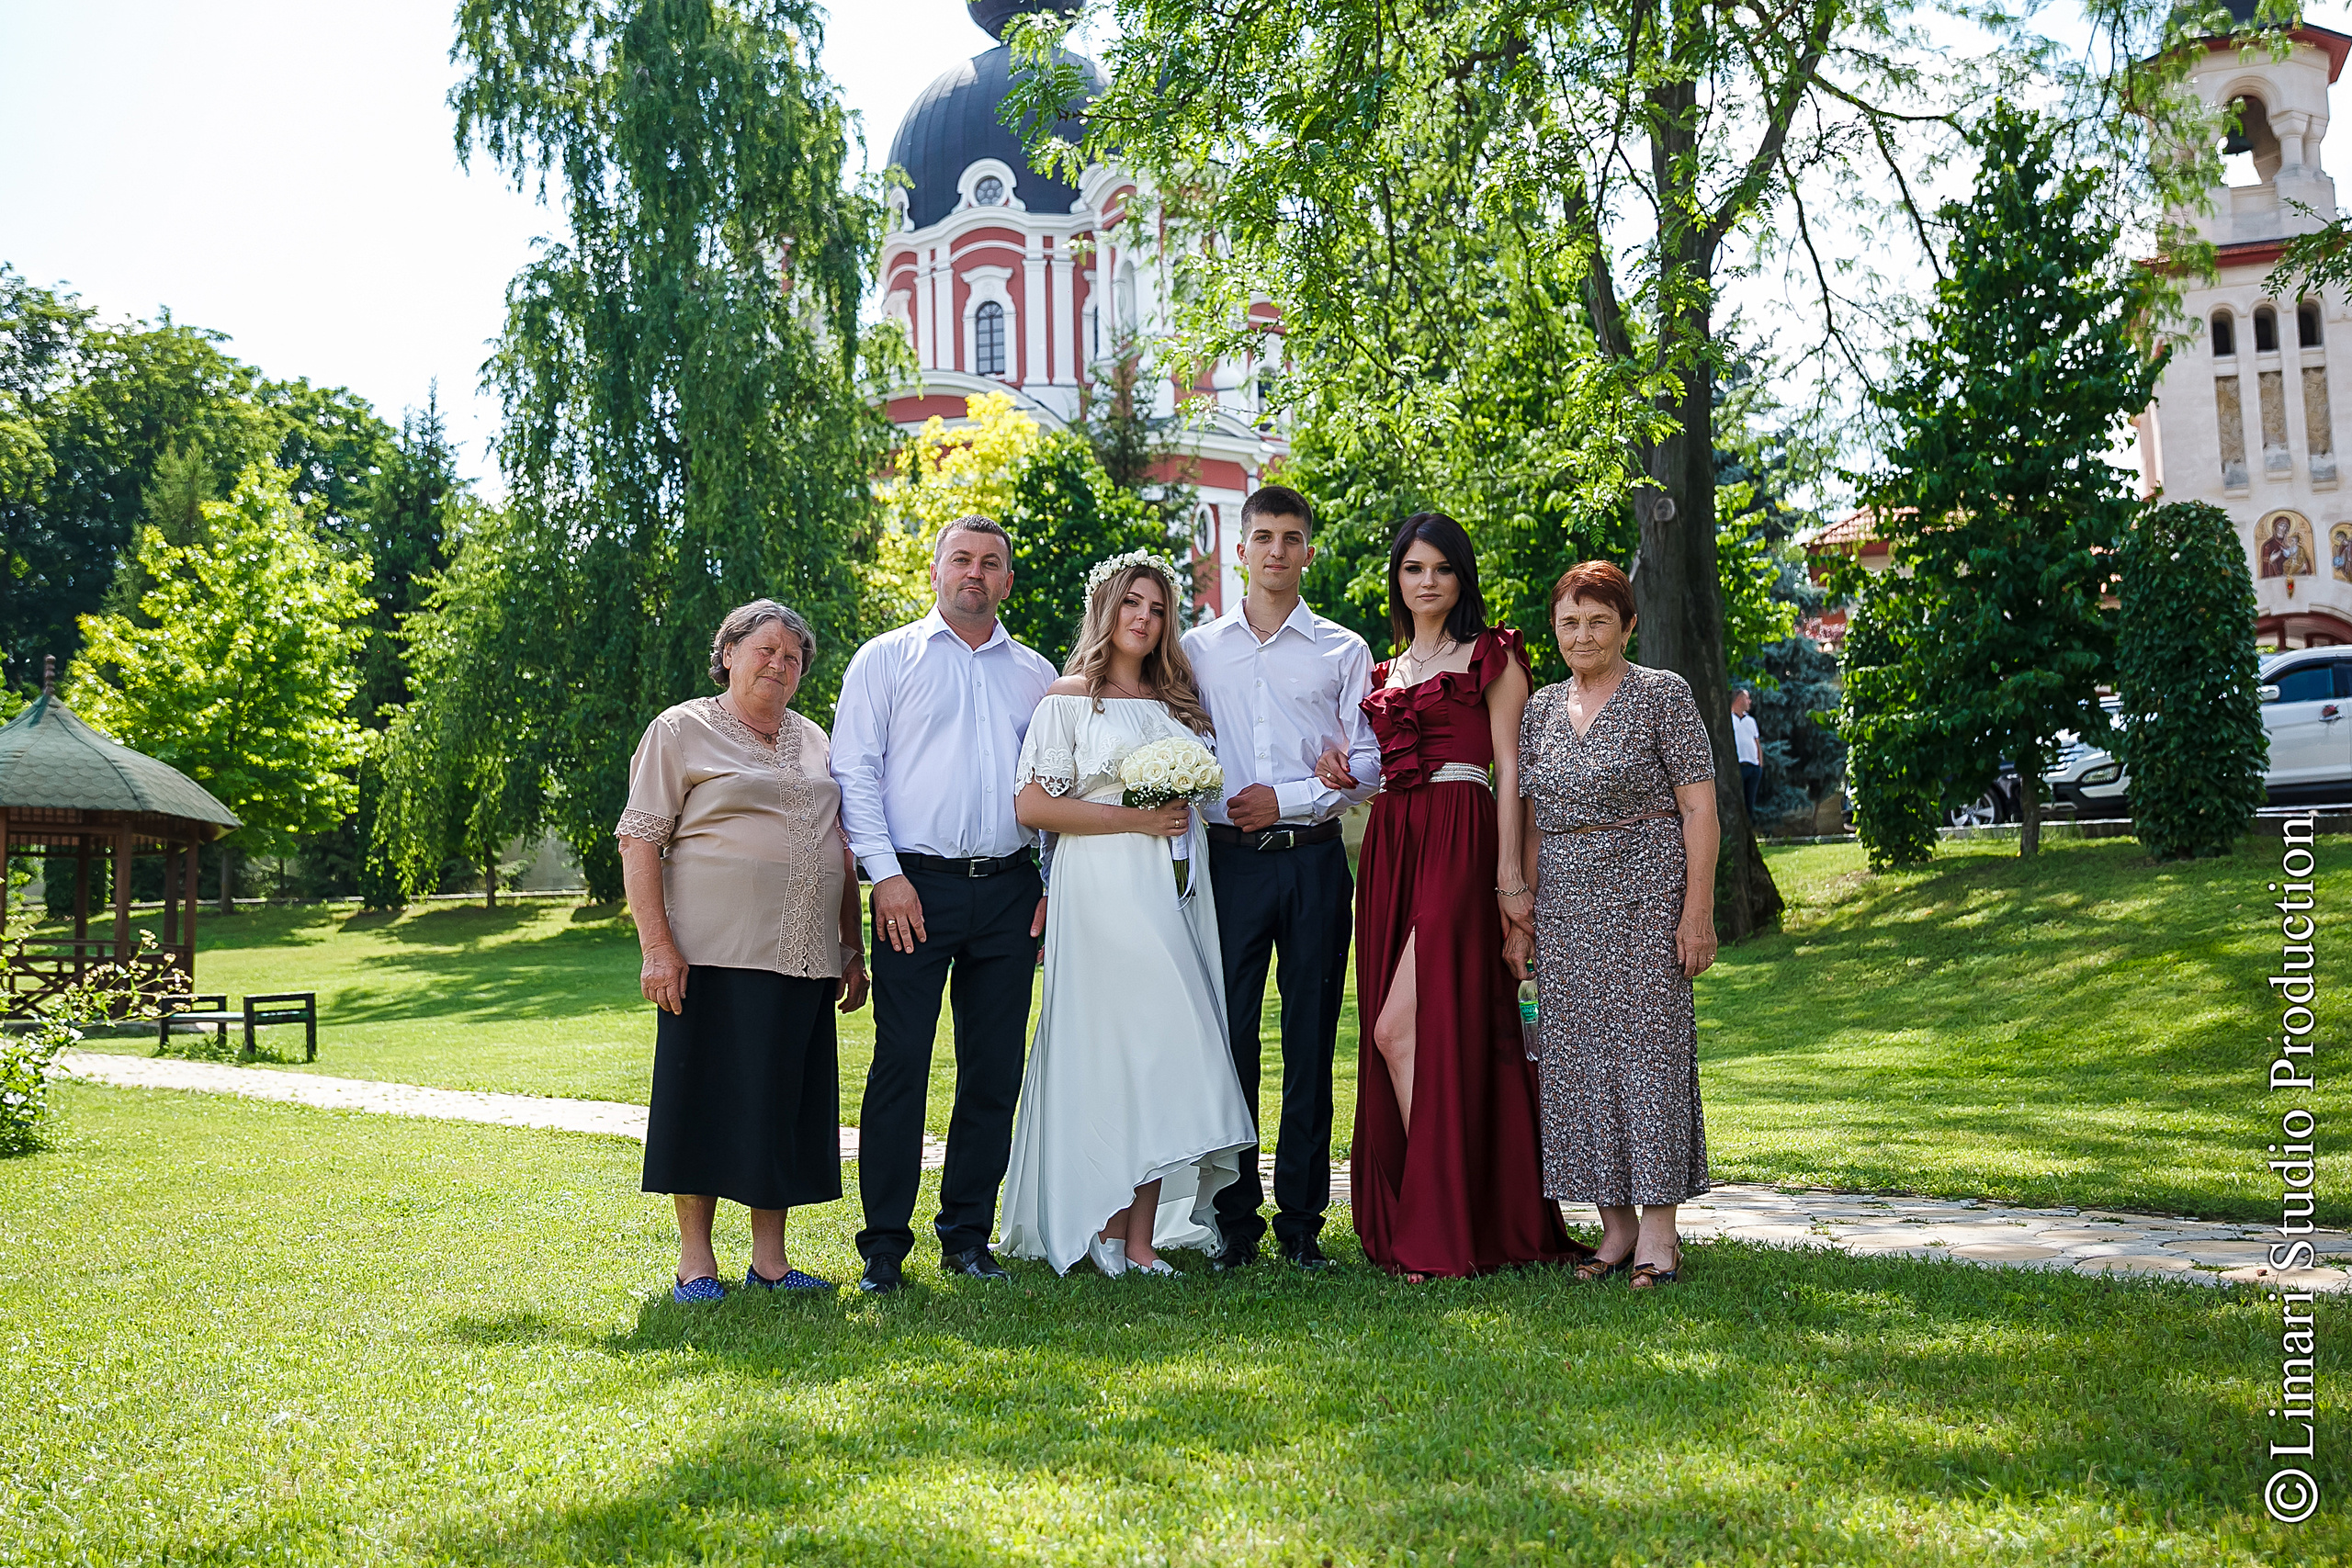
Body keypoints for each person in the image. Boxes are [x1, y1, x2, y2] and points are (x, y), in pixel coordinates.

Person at [998, 553, 1258, 1277]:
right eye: (1132, 603)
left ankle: (1139, 1239)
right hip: (1101, 886)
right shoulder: (1068, 698)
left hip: (1172, 887)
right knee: (1112, 1050)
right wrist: (1135, 822)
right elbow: (1033, 804)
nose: (1144, 618)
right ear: (1106, 610)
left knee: (1164, 1050)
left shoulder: (1178, 703)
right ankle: (1103, 1223)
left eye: (1158, 608)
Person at [616, 599, 869, 1302]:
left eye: (793, 657)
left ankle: (771, 1261)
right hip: (711, 955)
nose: (780, 664)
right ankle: (695, 1263)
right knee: (702, 1103)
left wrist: (851, 946)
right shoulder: (681, 728)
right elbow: (639, 839)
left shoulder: (814, 738)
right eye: (766, 650)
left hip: (805, 956)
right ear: (728, 652)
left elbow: (839, 849)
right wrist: (656, 946)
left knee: (782, 1106)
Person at [1352, 514, 1583, 1280]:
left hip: (1460, 837)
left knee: (1397, 1029)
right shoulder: (1383, 670)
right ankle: (1449, 1212)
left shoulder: (1494, 655)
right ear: (1397, 578)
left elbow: (1512, 770)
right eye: (1413, 568)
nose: (1428, 582)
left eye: (1443, 569)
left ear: (1462, 578)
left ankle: (1441, 1217)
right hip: (1392, 846)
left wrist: (1511, 878)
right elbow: (1374, 768)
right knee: (1414, 1033)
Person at [830, 517, 1057, 1294]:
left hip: (1011, 890)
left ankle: (966, 1236)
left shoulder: (1036, 674)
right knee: (902, 1062)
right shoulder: (886, 659)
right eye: (961, 558)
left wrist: (1050, 882)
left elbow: (1055, 784)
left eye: (991, 563)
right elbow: (854, 772)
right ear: (935, 571)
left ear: (1007, 582)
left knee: (993, 1068)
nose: (975, 572)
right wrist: (885, 876)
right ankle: (883, 1248)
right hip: (913, 888)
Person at [1181, 485, 1382, 1272]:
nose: (1276, 550)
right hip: (1228, 863)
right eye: (1262, 536)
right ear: (1240, 549)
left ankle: (1301, 1222)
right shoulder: (1196, 649)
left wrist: (1291, 797)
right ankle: (1235, 1219)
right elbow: (1176, 745)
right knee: (1229, 1038)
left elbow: (1369, 763)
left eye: (1291, 537)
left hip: (1313, 859)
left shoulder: (1344, 649)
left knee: (1310, 1039)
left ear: (1308, 551)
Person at [1516, 560, 1720, 1290]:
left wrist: (1698, 913)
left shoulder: (1663, 694)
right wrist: (1523, 916)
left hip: (1647, 897)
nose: (1583, 634)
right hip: (1565, 906)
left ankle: (1659, 1234)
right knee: (1577, 1062)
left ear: (1628, 625)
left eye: (1599, 619)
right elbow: (1534, 821)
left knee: (1649, 1057)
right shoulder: (1539, 709)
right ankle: (1616, 1227)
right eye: (1569, 621)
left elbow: (1699, 808)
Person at [1730, 688, 1762, 820]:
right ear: (1739, 699)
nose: (1750, 701)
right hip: (1738, 767)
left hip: (1753, 767)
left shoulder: (1750, 721)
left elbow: (1757, 742)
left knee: (1750, 803)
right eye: (1746, 698)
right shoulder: (1729, 719)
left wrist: (1760, 765)